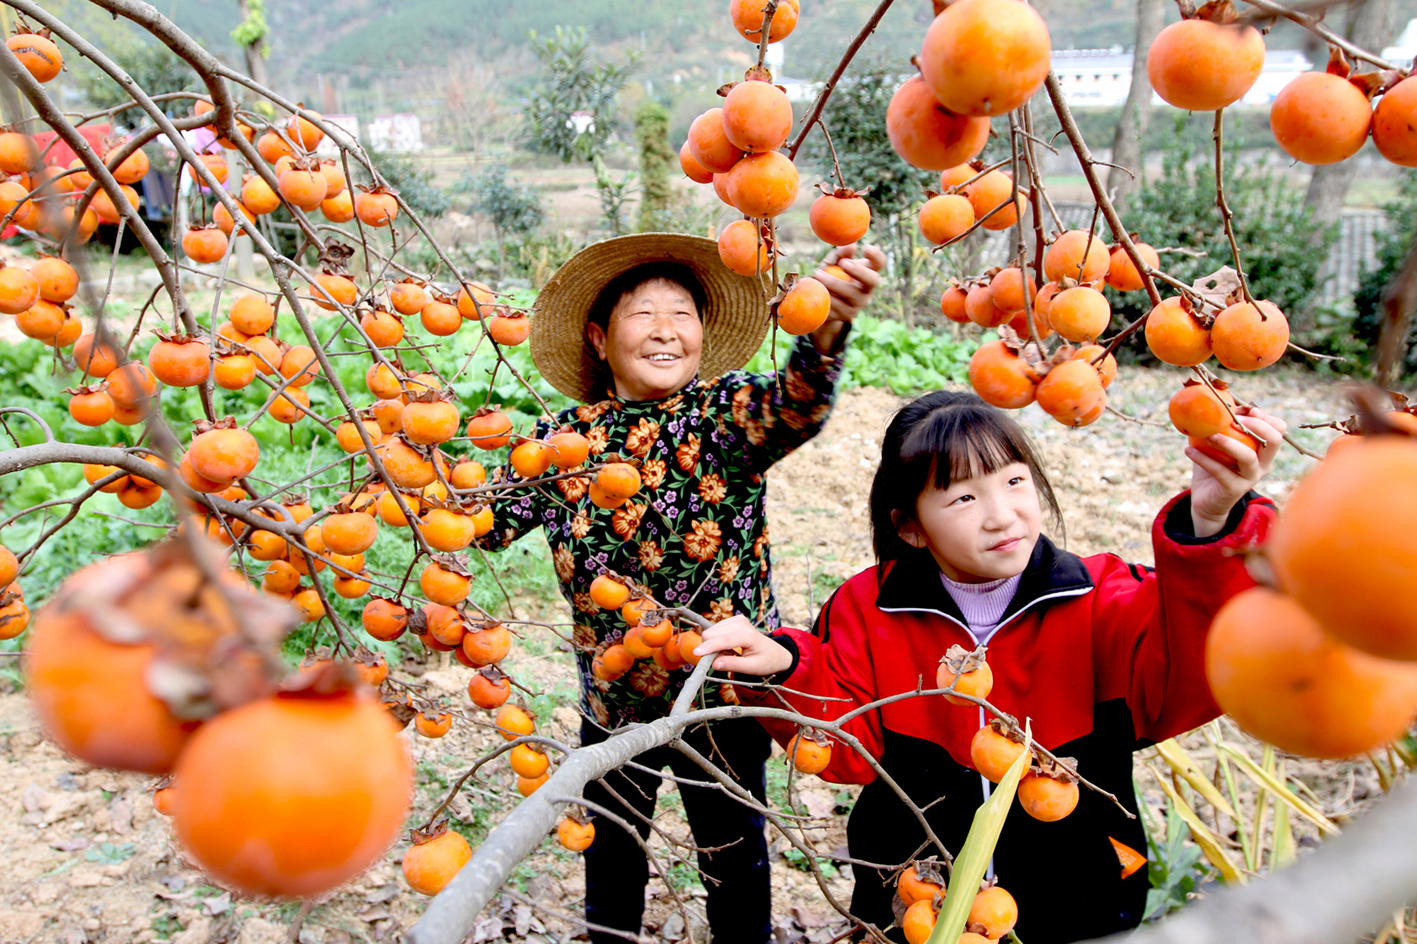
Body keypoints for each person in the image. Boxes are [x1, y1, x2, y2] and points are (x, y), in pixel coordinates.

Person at [695, 389, 1286, 943]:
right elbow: (846, 747)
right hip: (915, 896)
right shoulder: (867, 610)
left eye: (1014, 481)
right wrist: (785, 668)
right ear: (909, 526)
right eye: (964, 497)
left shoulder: (1099, 599)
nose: (1001, 514)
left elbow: (1196, 667)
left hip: (1078, 901)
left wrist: (1212, 525)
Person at [478, 232, 886, 944]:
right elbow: (479, 524)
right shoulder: (557, 442)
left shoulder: (725, 417)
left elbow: (796, 407)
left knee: (733, 858)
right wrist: (410, 467)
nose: (665, 329)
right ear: (601, 340)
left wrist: (824, 330)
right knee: (613, 859)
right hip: (615, 701)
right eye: (642, 315)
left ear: (702, 335)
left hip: (722, 693)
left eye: (682, 314)